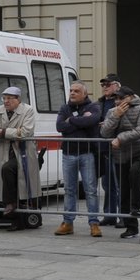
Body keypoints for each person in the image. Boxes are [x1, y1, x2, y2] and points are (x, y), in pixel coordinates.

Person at [99, 85, 140, 238]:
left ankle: (136, 207)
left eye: (121, 98)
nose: (118, 101)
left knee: (135, 172)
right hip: (120, 156)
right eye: (116, 98)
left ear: (131, 97)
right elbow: (104, 132)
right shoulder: (111, 112)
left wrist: (120, 138)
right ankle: (130, 226)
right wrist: (116, 116)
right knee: (123, 189)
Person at [54, 80, 102, 236]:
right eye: (71, 91)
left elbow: (92, 120)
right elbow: (60, 126)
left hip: (87, 154)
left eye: (76, 91)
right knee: (69, 189)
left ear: (84, 93)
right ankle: (68, 222)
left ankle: (94, 223)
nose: (72, 93)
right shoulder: (64, 107)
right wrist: (81, 120)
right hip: (68, 154)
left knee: (90, 190)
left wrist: (72, 120)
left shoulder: (93, 106)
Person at [0, 86, 38, 227]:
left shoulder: (27, 110)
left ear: (18, 99)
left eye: (10, 98)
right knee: (7, 172)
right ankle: (12, 209)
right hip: (4, 152)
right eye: (4, 98)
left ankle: (10, 203)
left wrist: (3, 132)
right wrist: (13, 132)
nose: (6, 101)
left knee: (7, 169)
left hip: (23, 153)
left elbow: (26, 132)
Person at [96, 74, 124, 227]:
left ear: (117, 85)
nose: (105, 87)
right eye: (103, 85)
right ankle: (110, 214)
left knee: (119, 184)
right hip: (103, 148)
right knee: (107, 184)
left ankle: (123, 215)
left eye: (108, 84)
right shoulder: (99, 103)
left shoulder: (122, 101)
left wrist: (107, 123)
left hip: (118, 148)